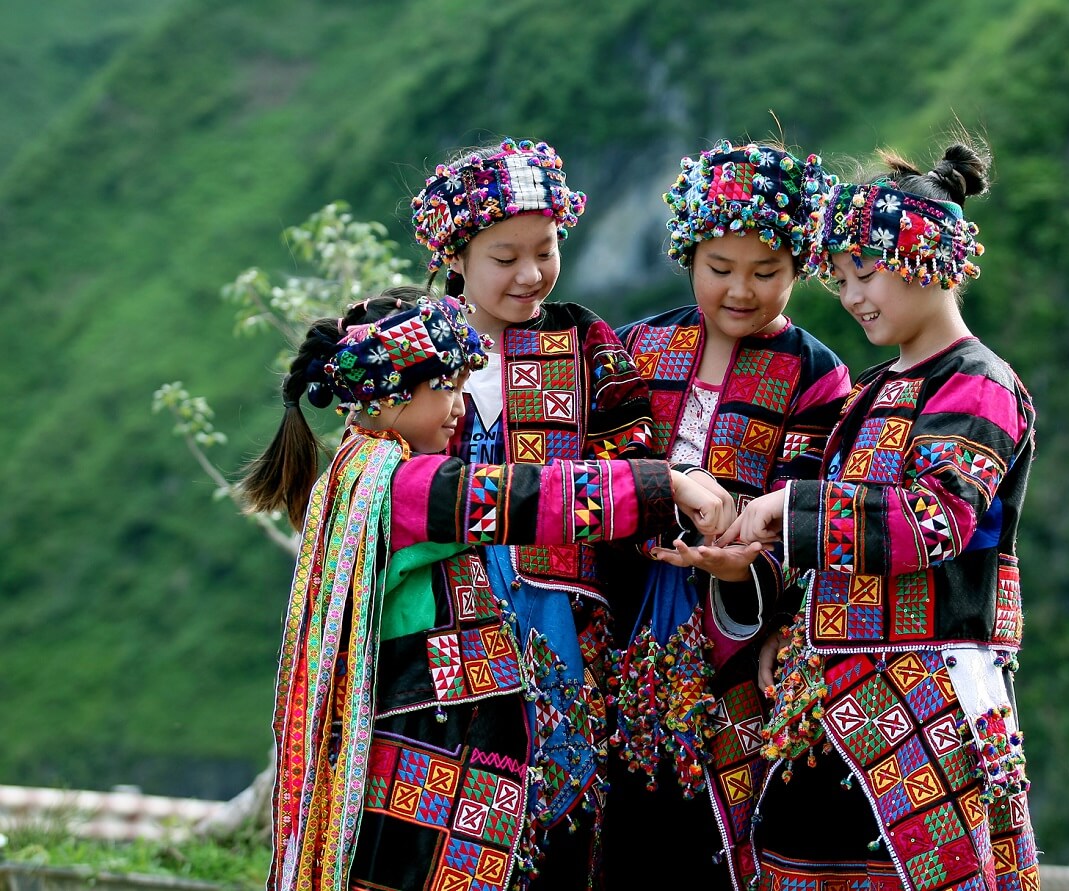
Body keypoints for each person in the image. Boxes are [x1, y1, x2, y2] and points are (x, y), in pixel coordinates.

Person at [241, 288, 733, 891]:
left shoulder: (359, 471)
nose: (459, 404)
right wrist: (665, 485)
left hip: (415, 726)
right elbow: (527, 498)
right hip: (428, 735)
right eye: (444, 387)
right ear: (390, 392)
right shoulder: (405, 486)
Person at [719, 141, 1042, 890]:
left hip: (926, 695)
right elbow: (832, 525)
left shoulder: (980, 385)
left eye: (866, 273)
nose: (853, 295)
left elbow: (934, 521)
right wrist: (786, 622)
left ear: (929, 258)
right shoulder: (867, 390)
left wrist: (784, 510)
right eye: (839, 280)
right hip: (826, 696)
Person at [410, 137, 690, 886]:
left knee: (560, 797)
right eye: (506, 257)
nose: (532, 274)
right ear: (455, 254)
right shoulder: (413, 350)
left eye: (547, 249)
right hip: (443, 614)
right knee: (452, 797)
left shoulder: (583, 340)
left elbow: (635, 455)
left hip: (561, 617)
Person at [603, 140, 851, 890]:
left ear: (800, 266)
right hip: (624, 625)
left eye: (766, 272)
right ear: (688, 255)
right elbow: (603, 465)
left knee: (714, 829)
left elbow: (811, 504)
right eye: (720, 268)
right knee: (618, 821)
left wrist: (754, 578)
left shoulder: (816, 375)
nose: (740, 290)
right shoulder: (639, 347)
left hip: (738, 642)